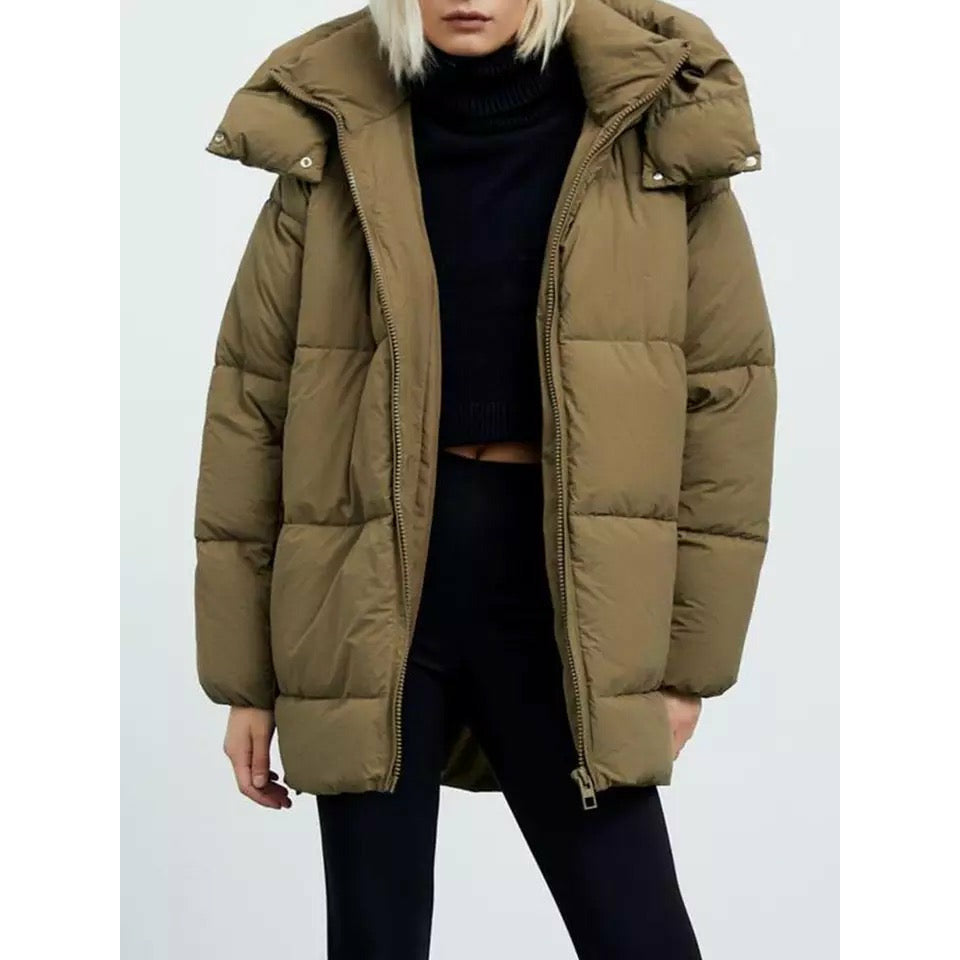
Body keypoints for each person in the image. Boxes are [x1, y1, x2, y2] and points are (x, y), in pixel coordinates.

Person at [193, 0, 776, 956]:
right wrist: (244, 683)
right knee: (375, 939)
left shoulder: (651, 132)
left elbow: (727, 408)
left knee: (639, 933)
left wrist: (687, 664)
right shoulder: (333, 133)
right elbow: (251, 408)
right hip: (363, 585)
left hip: (567, 587)